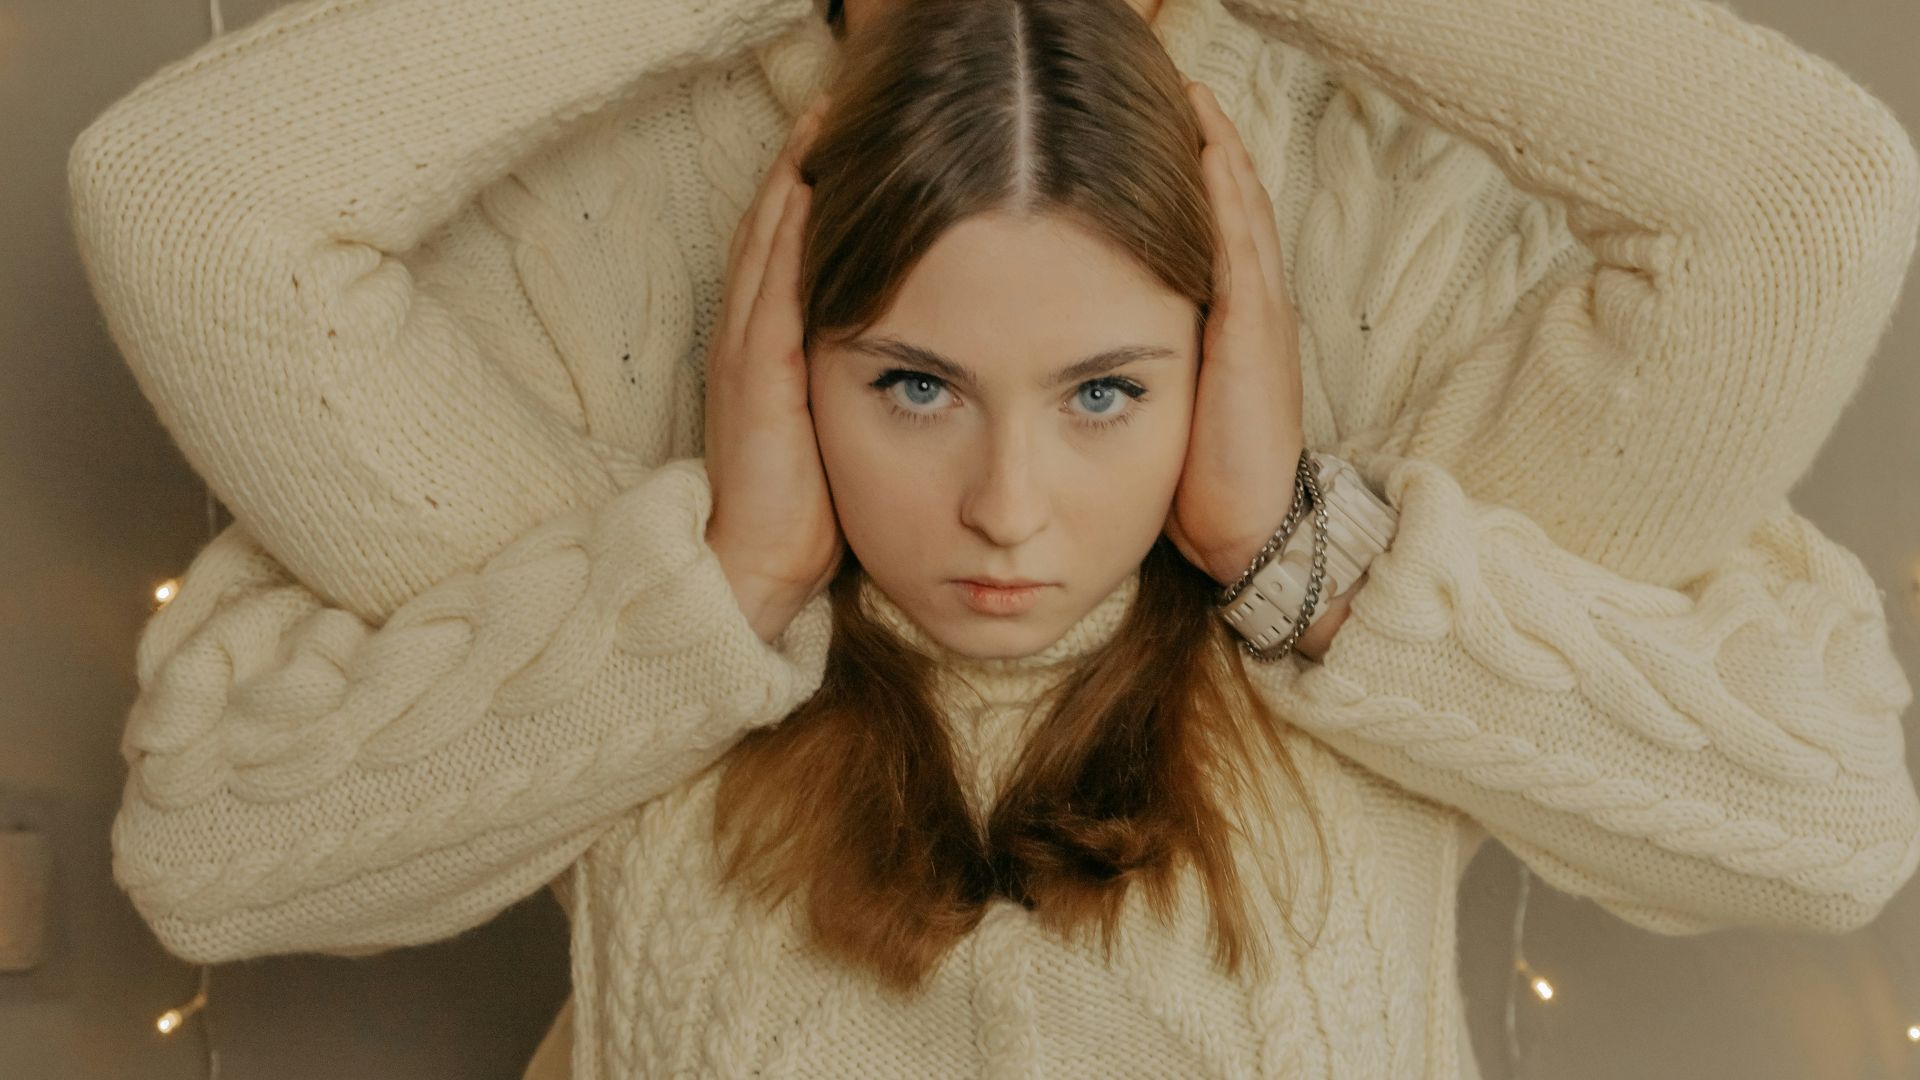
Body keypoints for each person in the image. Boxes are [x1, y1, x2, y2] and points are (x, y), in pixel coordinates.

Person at [66, 0, 1920, 1074]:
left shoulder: (1396, 262)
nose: (1009, 516)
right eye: (913, 391)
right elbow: (189, 203)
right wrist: (720, 594)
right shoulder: (615, 291)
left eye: (1107, 393)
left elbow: (1808, 207)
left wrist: (1299, 555)